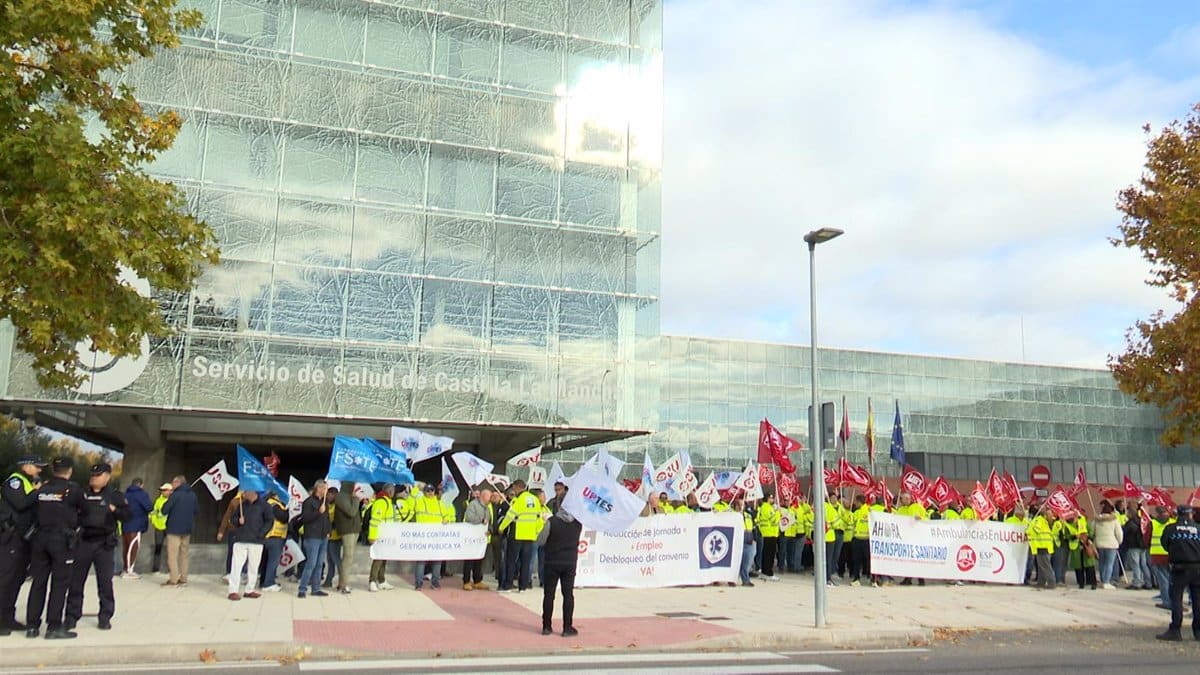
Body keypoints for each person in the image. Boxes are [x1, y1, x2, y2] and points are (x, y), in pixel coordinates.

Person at [64, 463, 129, 631]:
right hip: (84, 541)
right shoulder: (81, 494)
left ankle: (105, 616)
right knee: (76, 582)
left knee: (105, 583)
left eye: (98, 475)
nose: (94, 478)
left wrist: (114, 510)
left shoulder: (115, 495)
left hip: (104, 544)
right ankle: (71, 616)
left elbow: (128, 515)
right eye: (92, 475)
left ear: (107, 477)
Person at [24, 457, 84, 639]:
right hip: (61, 540)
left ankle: (32, 626)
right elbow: (86, 510)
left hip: (40, 538)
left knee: (38, 583)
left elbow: (34, 510)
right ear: (69, 471)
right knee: (59, 584)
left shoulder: (43, 488)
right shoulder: (73, 490)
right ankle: (53, 626)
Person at [0, 454, 45, 635]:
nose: (39, 470)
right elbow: (20, 503)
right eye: (37, 466)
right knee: (5, 580)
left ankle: (8, 618)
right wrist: (36, 492)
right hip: (11, 538)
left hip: (23, 540)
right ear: (25, 466)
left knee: (16, 580)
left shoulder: (27, 482)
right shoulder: (15, 482)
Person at [536, 499, 582, 637]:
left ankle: (547, 626)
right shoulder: (577, 524)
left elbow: (541, 540)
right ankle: (567, 627)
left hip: (552, 561)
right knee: (568, 595)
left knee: (549, 595)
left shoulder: (552, 522)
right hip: (569, 563)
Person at [1156, 504, 1200, 642]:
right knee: (1198, 600)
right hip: (1197, 568)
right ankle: (1198, 631)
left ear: (1178, 514)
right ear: (1190, 514)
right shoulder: (1198, 529)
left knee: (1176, 599)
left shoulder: (1171, 529)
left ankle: (1175, 630)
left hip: (1179, 568)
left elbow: (1164, 544)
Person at [227, 490, 270, 600]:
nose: (244, 494)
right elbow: (232, 519)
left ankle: (249, 589)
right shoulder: (241, 504)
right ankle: (233, 590)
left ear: (253, 493)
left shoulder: (264, 505)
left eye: (246, 492)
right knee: (236, 566)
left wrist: (261, 533)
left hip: (256, 540)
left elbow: (269, 521)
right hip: (241, 539)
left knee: (253, 567)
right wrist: (238, 521)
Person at [499, 480, 541, 592]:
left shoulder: (517, 500)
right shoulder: (535, 500)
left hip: (517, 534)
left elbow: (510, 516)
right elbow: (539, 518)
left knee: (511, 561)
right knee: (525, 562)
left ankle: (508, 585)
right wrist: (536, 531)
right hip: (530, 536)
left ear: (517, 488)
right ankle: (523, 586)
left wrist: (501, 528)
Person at [297, 480, 331, 598]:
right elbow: (305, 518)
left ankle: (316, 588)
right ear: (319, 489)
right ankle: (302, 589)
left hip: (323, 536)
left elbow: (327, 519)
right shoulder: (308, 502)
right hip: (312, 537)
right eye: (325, 489)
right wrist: (318, 512)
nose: (326, 491)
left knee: (319, 564)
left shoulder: (325, 502)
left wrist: (328, 532)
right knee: (311, 563)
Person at [161, 475, 197, 587]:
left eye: (173, 483)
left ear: (178, 483)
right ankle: (184, 578)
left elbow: (164, 510)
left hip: (174, 529)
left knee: (172, 555)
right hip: (187, 529)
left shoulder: (175, 495)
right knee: (184, 555)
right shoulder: (193, 495)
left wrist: (168, 499)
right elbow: (196, 510)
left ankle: (173, 579)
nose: (172, 485)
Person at [413, 483, 445, 590]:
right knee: (421, 560)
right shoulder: (419, 501)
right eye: (427, 490)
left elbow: (447, 515)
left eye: (432, 490)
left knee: (437, 560)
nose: (430, 493)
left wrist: (447, 520)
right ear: (424, 491)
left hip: (436, 536)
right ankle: (418, 583)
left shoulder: (439, 503)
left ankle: (435, 582)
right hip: (423, 536)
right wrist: (416, 488)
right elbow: (411, 499)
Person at [332, 481, 362, 594]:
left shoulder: (348, 496)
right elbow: (352, 512)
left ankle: (342, 583)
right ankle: (344, 585)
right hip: (347, 530)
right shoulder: (341, 497)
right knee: (347, 557)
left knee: (349, 557)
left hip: (354, 529)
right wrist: (355, 499)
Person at [120, 478, 152, 579]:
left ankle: (126, 568)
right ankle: (129, 570)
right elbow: (149, 507)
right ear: (141, 485)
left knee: (126, 547)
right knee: (133, 547)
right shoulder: (142, 495)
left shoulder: (125, 494)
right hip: (137, 524)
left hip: (125, 524)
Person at [463, 485, 493, 590]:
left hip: (481, 539)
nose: (491, 499)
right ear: (483, 496)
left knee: (479, 560)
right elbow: (469, 517)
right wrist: (481, 521)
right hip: (471, 538)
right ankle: (466, 581)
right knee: (469, 560)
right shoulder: (473, 505)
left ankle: (477, 580)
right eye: (489, 496)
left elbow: (489, 521)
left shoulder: (487, 508)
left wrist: (489, 529)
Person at [366, 483, 395, 592]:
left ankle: (381, 580)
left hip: (385, 535)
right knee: (378, 559)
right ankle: (372, 581)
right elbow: (374, 521)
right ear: (389, 491)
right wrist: (372, 536)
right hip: (379, 536)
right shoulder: (381, 502)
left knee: (383, 559)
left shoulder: (387, 501)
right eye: (392, 491)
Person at [259, 490, 289, 592]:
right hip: (275, 536)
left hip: (267, 536)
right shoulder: (274, 504)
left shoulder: (265, 502)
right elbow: (283, 517)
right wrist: (289, 511)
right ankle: (269, 583)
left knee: (265, 561)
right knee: (273, 562)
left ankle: (263, 581)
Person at [1092, 501, 1123, 589]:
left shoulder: (1096, 520)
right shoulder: (1114, 520)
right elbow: (1119, 533)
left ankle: (1102, 580)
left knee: (1102, 563)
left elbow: (1092, 530)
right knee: (1109, 564)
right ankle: (1106, 581)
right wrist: (1119, 542)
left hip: (1099, 543)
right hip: (1111, 544)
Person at [1150, 505, 1176, 610]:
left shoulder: (1152, 523)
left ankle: (1166, 601)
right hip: (1172, 554)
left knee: (1162, 579)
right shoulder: (1173, 522)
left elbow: (1146, 537)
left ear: (1157, 513)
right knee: (1173, 579)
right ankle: (1175, 602)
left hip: (1156, 554)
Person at [1122, 505, 1151, 590]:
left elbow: (1125, 532)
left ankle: (1137, 583)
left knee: (1135, 565)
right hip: (1143, 545)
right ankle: (1148, 582)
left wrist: (1123, 526)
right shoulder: (1141, 521)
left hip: (1134, 545)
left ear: (1130, 513)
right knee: (1143, 564)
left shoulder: (1130, 523)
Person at [1028, 509, 1058, 590]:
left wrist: (1028, 529)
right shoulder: (1046, 521)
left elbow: (1036, 530)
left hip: (1042, 545)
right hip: (1045, 546)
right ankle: (1041, 582)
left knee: (1045, 566)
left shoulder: (1039, 520)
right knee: (1042, 566)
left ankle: (1051, 583)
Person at [755, 492, 781, 581]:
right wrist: (778, 513)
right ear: (767, 499)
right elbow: (774, 520)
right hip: (769, 533)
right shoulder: (766, 507)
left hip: (769, 533)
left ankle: (765, 572)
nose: (772, 500)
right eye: (771, 498)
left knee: (767, 554)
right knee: (769, 555)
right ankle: (768, 572)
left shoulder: (765, 507)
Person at [849, 494, 871, 586]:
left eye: (856, 502)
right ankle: (872, 579)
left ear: (859, 502)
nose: (855, 503)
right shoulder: (869, 510)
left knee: (857, 560)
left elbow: (851, 522)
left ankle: (857, 578)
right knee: (867, 560)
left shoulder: (867, 511)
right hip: (864, 539)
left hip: (860, 539)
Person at [148, 483, 171, 574]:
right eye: (162, 490)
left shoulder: (173, 500)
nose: (162, 492)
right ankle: (156, 569)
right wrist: (154, 522)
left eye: (165, 490)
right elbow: (153, 513)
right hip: (159, 527)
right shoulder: (158, 500)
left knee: (171, 549)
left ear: (170, 491)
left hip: (170, 527)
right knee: (158, 548)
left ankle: (171, 569)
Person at [323, 487, 341, 590]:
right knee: (330, 561)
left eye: (330, 495)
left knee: (336, 559)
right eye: (328, 494)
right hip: (327, 537)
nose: (328, 496)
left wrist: (329, 525)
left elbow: (337, 521)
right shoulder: (326, 505)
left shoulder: (337, 506)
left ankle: (342, 580)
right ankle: (328, 581)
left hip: (335, 537)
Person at [734, 498, 755, 587]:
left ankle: (745, 580)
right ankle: (734, 579)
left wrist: (754, 539)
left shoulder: (748, 515)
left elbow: (753, 527)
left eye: (743, 504)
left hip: (749, 540)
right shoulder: (733, 515)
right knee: (736, 563)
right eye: (739, 504)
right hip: (738, 541)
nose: (741, 506)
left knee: (747, 562)